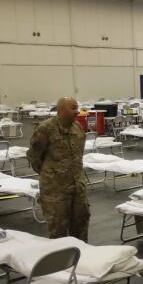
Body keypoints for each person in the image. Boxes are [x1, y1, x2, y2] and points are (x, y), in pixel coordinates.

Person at [26, 96, 89, 241]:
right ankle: (61, 263)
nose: (77, 112)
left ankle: (82, 260)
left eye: (77, 107)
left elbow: (78, 157)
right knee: (58, 231)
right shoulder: (45, 129)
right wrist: (51, 175)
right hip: (56, 192)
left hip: (77, 188)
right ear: (61, 110)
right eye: (73, 108)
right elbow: (34, 157)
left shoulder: (77, 128)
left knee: (81, 227)